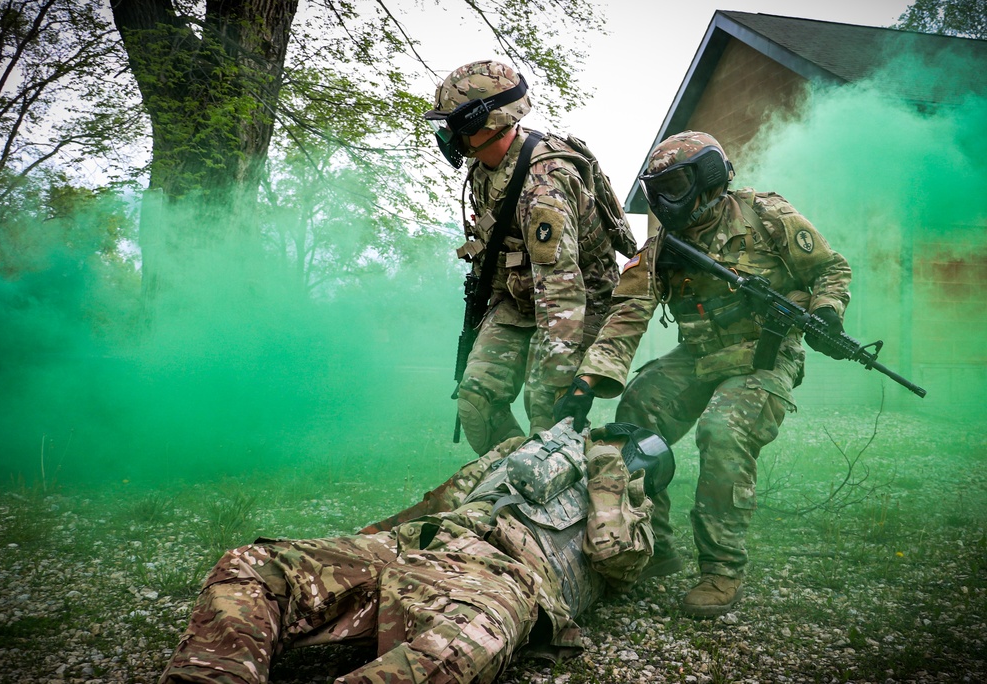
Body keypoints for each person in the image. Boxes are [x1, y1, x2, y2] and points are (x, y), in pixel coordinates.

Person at [555, 131, 852, 618]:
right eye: (659, 188)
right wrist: (587, 382)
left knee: (723, 430)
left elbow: (830, 268)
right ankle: (652, 543)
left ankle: (721, 569)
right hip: (698, 354)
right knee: (637, 408)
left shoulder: (765, 214)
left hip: (765, 353)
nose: (667, 198)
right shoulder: (661, 248)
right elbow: (627, 314)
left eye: (676, 184)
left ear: (708, 177)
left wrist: (827, 312)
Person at [158, 419, 674, 684]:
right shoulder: (533, 452)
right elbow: (445, 496)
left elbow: (612, 555)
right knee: (255, 565)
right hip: (422, 542)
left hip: (504, 579)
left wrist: (611, 481)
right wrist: (359, 544)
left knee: (463, 649)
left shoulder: (633, 520)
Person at [426, 59, 633, 456]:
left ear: (486, 124)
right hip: (521, 299)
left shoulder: (543, 185)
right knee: (475, 401)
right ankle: (516, 481)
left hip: (573, 304)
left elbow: (563, 290)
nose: (446, 136)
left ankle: (567, 489)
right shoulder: (486, 167)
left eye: (452, 125)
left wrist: (563, 381)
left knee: (549, 417)